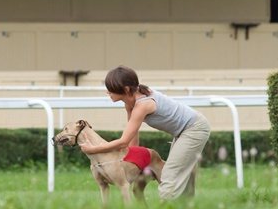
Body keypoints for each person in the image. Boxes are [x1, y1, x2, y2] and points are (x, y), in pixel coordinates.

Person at [80, 65, 211, 200]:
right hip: (185, 131)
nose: (108, 91)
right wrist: (133, 162)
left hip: (195, 129)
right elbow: (132, 138)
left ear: (126, 89)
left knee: (169, 176)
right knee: (178, 175)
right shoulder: (130, 101)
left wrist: (94, 149)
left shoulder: (143, 105)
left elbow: (123, 141)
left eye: (111, 88)